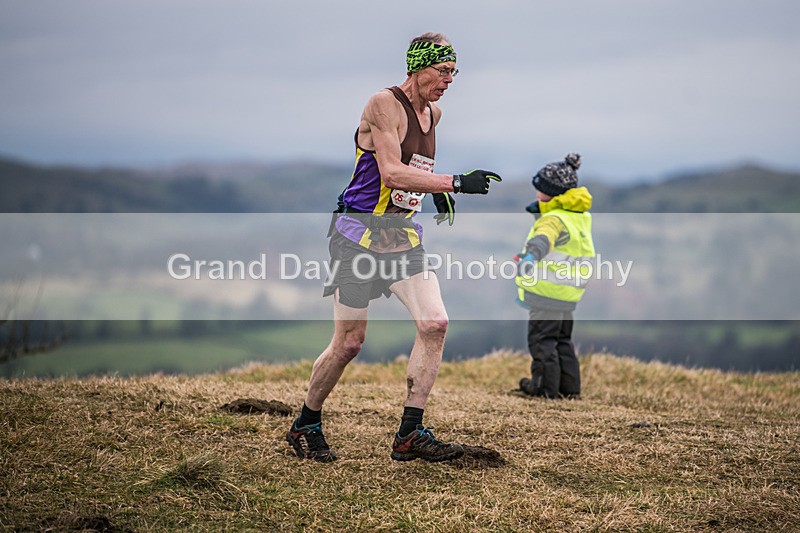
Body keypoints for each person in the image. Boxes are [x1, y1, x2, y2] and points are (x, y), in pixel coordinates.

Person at [286, 32, 502, 463]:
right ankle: (306, 422)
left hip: (402, 237)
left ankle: (410, 434)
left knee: (435, 323)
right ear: (418, 66)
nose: (449, 79)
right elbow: (390, 173)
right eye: (443, 70)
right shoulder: (382, 104)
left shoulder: (434, 114)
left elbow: (414, 168)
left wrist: (433, 192)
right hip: (357, 238)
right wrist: (454, 183)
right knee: (349, 344)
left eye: (454, 72)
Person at [514, 153, 594, 399]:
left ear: (556, 194)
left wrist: (530, 257)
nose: (537, 195)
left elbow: (543, 239)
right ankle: (570, 389)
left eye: (542, 192)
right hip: (569, 292)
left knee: (542, 341)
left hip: (546, 291)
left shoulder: (553, 219)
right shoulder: (578, 217)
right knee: (562, 341)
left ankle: (544, 388)